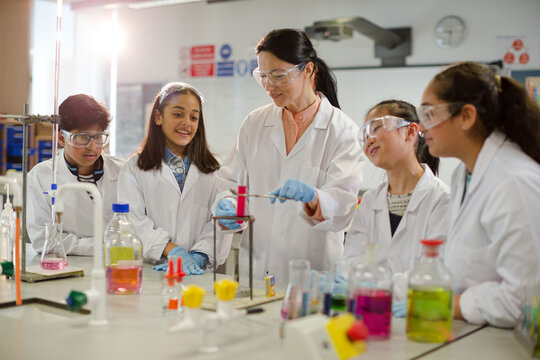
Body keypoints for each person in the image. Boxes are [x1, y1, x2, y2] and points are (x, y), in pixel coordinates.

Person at [215, 29, 364, 286]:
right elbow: (230, 182)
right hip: (256, 270)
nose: (269, 85)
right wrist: (226, 204)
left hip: (312, 273)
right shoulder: (255, 123)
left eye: (278, 76)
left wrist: (315, 198)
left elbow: (343, 205)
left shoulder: (342, 130)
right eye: (263, 76)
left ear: (307, 70)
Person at [418, 61, 540, 328]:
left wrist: (449, 303)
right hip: (473, 331)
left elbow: (526, 300)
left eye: (429, 114)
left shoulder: (514, 181)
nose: (421, 127)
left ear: (466, 116)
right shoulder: (463, 175)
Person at [117, 82, 231, 275]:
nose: (187, 123)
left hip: (198, 271)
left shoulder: (215, 168)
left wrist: (199, 255)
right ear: (158, 117)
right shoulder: (134, 167)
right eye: (178, 114)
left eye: (194, 117)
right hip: (153, 269)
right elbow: (132, 221)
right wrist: (172, 250)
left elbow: (218, 222)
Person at [344, 100, 449, 306]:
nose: (369, 140)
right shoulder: (369, 201)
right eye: (364, 135)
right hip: (370, 310)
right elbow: (352, 262)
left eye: (376, 128)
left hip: (419, 312)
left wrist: (380, 287)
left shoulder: (441, 199)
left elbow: (435, 270)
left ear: (410, 132)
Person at [27, 94, 124, 254]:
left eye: (98, 137)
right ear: (61, 138)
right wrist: (101, 247)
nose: (92, 147)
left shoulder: (122, 170)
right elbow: (43, 239)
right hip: (70, 266)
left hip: (119, 263)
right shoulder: (41, 176)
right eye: (81, 138)